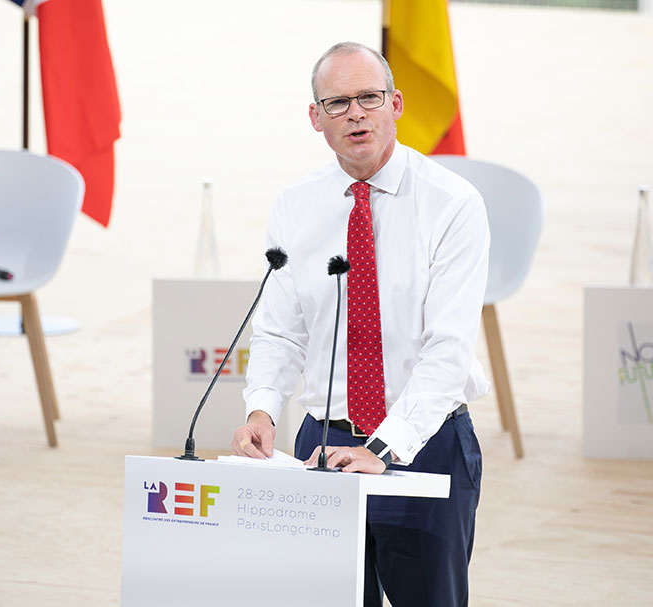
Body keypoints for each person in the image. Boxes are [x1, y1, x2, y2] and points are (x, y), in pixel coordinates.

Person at [231, 41, 490, 607]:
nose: (355, 114)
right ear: (315, 117)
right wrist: (262, 408)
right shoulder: (295, 204)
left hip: (423, 444)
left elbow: (448, 348)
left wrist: (385, 448)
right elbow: (280, 330)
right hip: (321, 446)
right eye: (338, 102)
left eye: (369, 98)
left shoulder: (452, 203)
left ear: (396, 104)